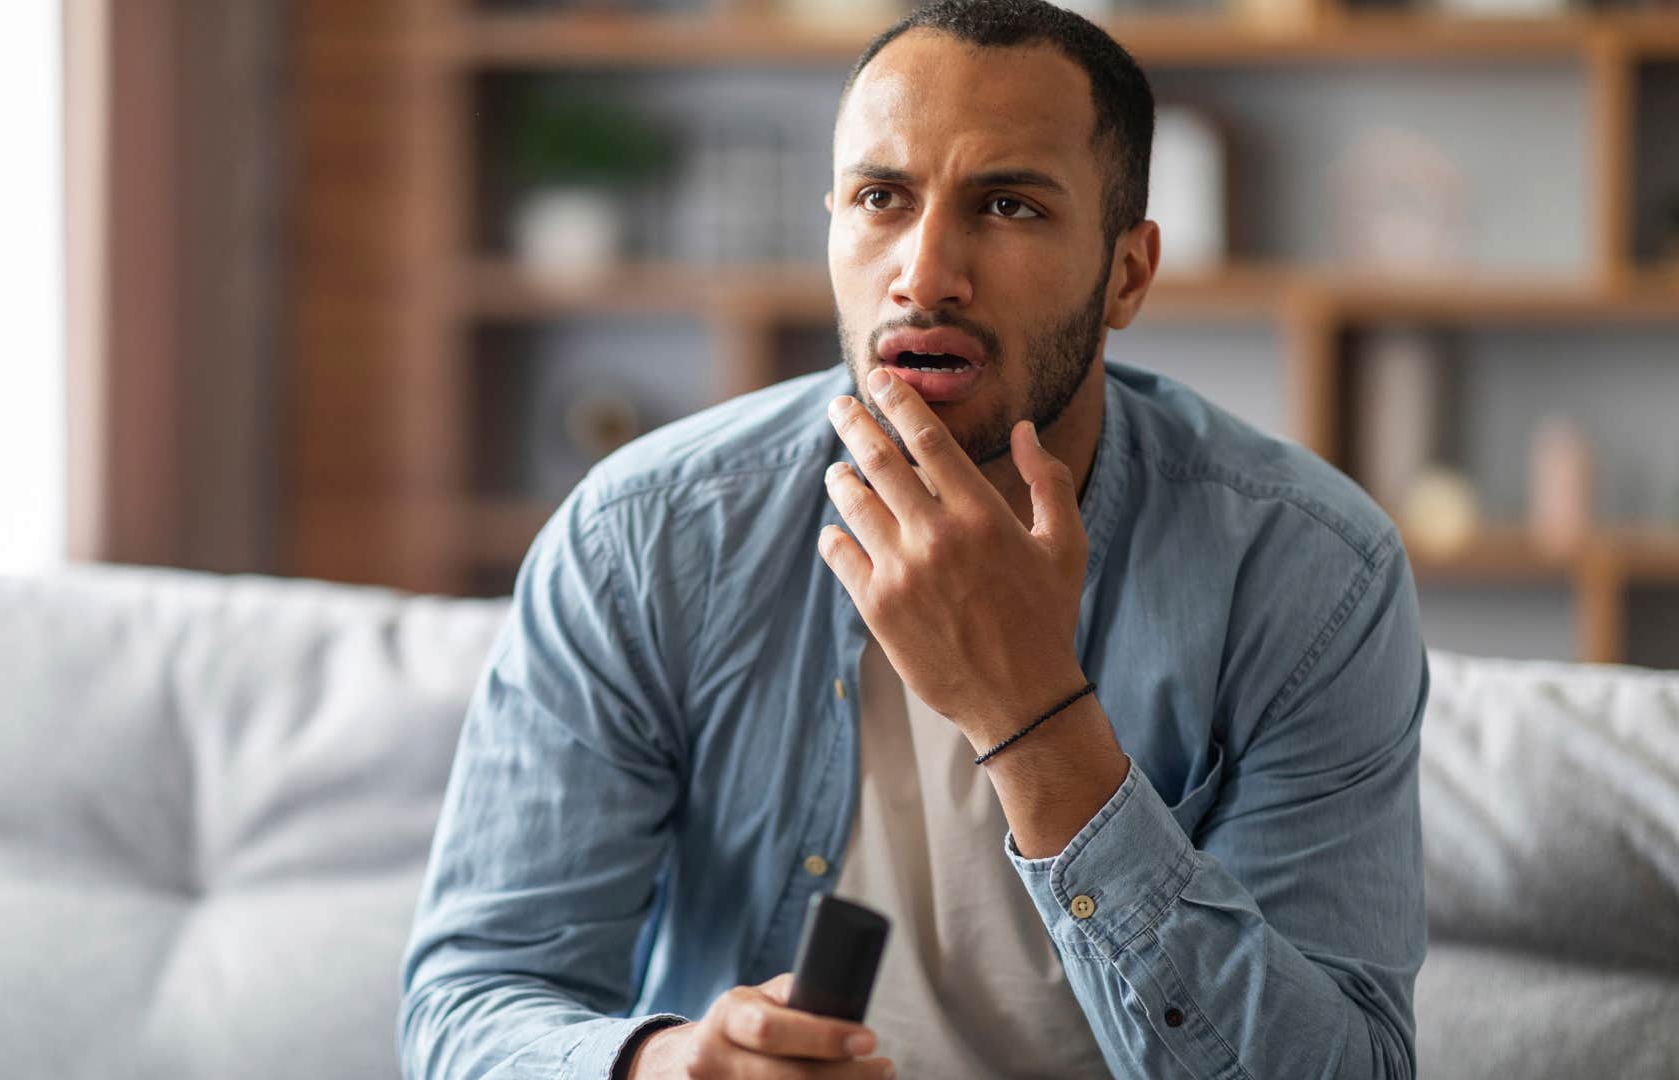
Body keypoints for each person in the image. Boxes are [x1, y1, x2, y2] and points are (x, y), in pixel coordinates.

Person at [400, 1, 1427, 1076]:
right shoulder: (645, 540)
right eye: (881, 199)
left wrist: (1034, 715)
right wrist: (669, 1067)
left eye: (1010, 206)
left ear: (1126, 274)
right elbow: (471, 1002)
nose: (926, 273)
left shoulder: (1310, 574)